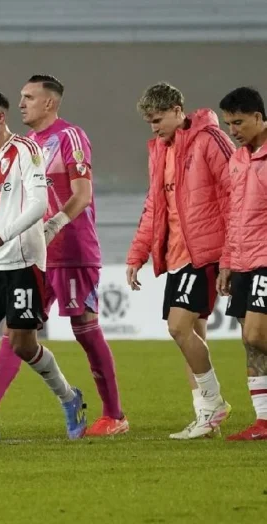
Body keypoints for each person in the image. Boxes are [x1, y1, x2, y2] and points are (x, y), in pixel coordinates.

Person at [0, 74, 126, 436]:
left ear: (49, 102)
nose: (22, 103)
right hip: (29, 252)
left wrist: (53, 226)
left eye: (29, 97)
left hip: (70, 248)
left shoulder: (68, 137)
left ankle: (114, 414)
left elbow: (82, 194)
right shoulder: (18, 146)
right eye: (21, 97)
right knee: (17, 335)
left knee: (84, 330)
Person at [127, 82, 234, 439]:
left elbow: (236, 192)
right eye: (149, 122)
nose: (153, 127)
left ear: (177, 110)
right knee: (193, 334)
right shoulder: (159, 149)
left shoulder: (210, 139)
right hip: (175, 256)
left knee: (178, 327)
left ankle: (214, 402)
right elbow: (154, 206)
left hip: (203, 253)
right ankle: (205, 416)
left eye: (158, 119)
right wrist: (138, 253)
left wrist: (231, 253)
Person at [217, 86, 267, 440]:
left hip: (265, 259)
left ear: (258, 117)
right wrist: (227, 262)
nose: (233, 130)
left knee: (256, 334)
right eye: (228, 124)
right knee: (249, 343)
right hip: (243, 261)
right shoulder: (238, 159)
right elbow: (234, 216)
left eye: (238, 122)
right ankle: (263, 421)